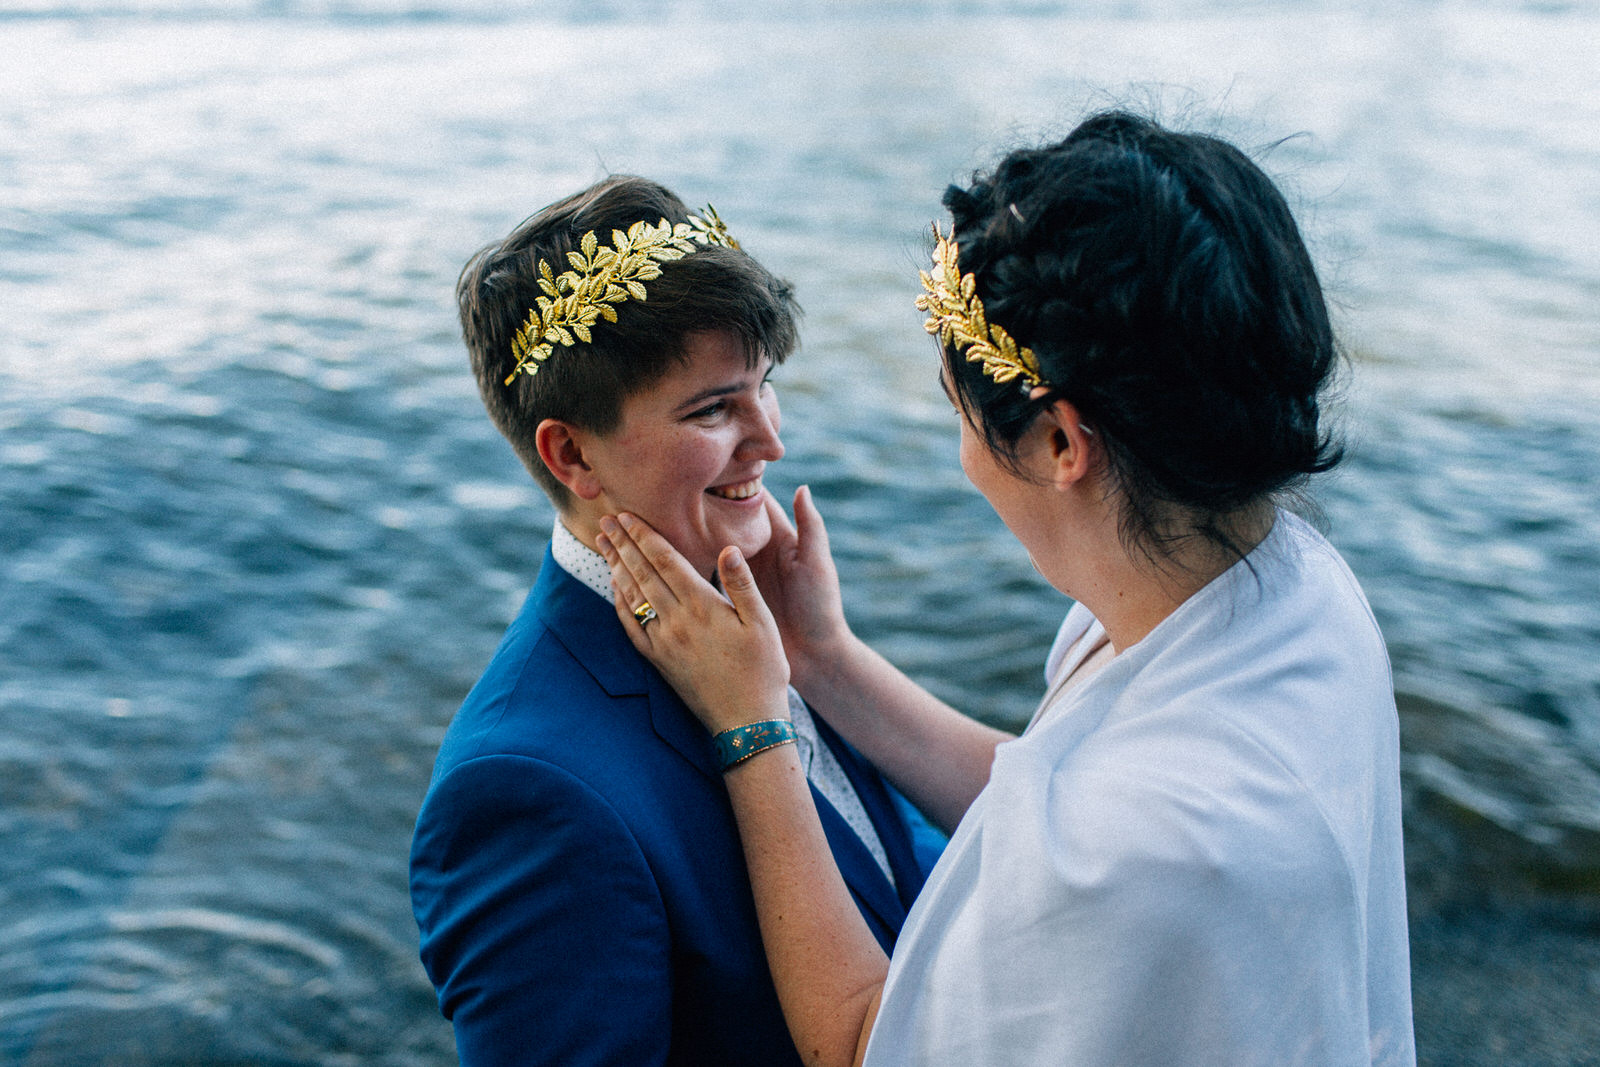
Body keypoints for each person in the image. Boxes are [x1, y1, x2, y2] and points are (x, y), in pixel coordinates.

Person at [598, 112, 1416, 1066]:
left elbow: (862, 1042)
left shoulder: (1142, 846)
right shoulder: (1289, 583)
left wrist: (753, 725)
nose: (967, 460)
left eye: (962, 412)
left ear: (1064, 443)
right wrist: (824, 658)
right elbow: (1046, 797)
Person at [409, 175, 933, 1067]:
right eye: (714, 408)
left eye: (765, 388)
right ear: (571, 452)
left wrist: (823, 659)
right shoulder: (526, 795)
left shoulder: (769, 622)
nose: (770, 440)